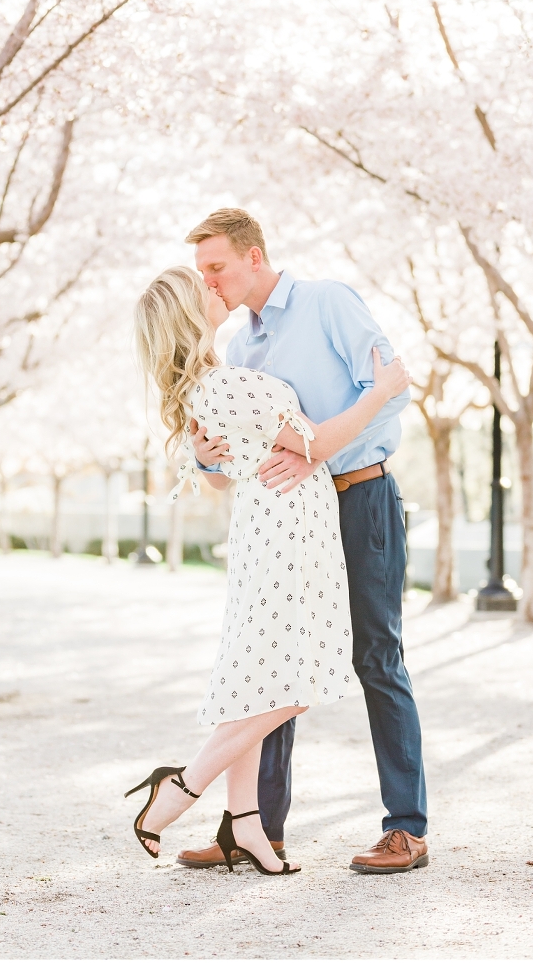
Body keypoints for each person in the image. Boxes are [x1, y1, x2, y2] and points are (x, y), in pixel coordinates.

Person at [129, 266, 411, 876]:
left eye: (214, 270)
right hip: (286, 534)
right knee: (290, 684)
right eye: (200, 283)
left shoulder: (220, 377)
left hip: (276, 527)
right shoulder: (229, 379)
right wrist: (379, 392)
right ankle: (179, 786)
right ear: (188, 313)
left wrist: (205, 457)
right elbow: (316, 442)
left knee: (255, 675)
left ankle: (248, 827)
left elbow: (231, 459)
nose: (213, 285)